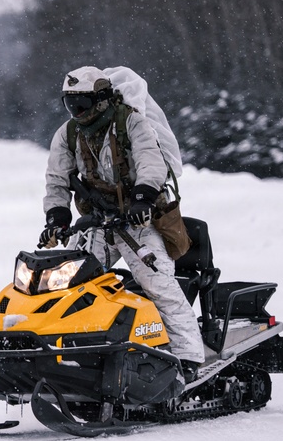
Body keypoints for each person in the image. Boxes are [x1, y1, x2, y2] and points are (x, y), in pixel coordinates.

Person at [38, 66, 204, 382]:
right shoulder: (68, 133)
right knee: (68, 284)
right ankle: (71, 354)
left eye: (82, 104)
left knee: (158, 283)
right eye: (70, 105)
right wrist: (57, 217)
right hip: (97, 223)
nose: (77, 113)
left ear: (101, 99)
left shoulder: (131, 122)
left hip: (139, 221)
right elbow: (57, 179)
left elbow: (150, 163)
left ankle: (189, 359)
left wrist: (142, 199)